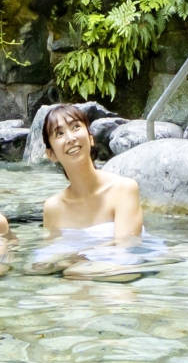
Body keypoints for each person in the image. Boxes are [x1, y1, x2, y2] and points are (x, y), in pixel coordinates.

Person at [31, 105, 147, 275]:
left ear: (91, 138)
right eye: (59, 133)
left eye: (75, 127)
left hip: (120, 274)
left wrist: (77, 258)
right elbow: (53, 259)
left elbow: (126, 252)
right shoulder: (53, 207)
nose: (70, 138)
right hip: (80, 275)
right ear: (51, 154)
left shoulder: (123, 189)